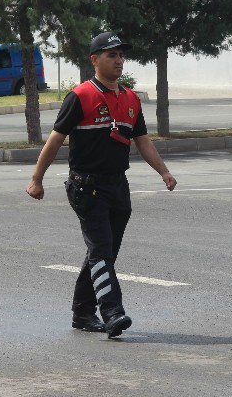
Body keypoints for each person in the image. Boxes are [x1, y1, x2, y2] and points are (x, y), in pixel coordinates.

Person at [26, 31, 177, 337]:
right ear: (95, 60)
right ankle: (112, 312)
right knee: (101, 251)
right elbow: (56, 140)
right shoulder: (80, 96)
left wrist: (163, 171)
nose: (119, 60)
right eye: (112, 55)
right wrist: (36, 179)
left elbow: (142, 141)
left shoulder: (131, 98)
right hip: (87, 186)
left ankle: (82, 312)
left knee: (103, 252)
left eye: (121, 55)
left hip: (118, 185)